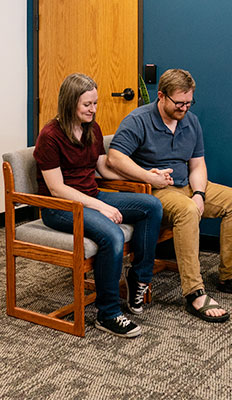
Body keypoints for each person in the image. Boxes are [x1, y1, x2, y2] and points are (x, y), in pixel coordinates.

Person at [107, 68, 232, 323]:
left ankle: (229, 276)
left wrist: (199, 193)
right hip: (155, 191)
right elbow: (114, 157)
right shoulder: (138, 120)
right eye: (179, 103)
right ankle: (195, 293)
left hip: (187, 185)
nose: (184, 108)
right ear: (162, 96)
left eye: (189, 102)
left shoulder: (191, 121)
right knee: (187, 210)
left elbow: (197, 165)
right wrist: (147, 176)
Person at [33, 73, 163, 338]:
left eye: (95, 103)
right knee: (112, 234)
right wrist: (99, 206)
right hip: (60, 207)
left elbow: (102, 167)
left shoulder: (92, 128)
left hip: (90, 196)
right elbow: (57, 188)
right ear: (70, 103)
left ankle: (138, 278)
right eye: (87, 105)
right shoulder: (49, 136)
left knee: (151, 205)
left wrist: (147, 175)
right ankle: (108, 313)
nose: (93, 109)